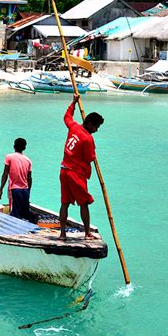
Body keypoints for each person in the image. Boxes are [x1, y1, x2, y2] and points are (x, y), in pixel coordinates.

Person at [59, 95, 104, 241]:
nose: (96, 130)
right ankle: (87, 233)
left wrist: (73, 103)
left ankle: (63, 234)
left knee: (64, 203)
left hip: (64, 170)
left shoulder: (73, 127)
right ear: (90, 123)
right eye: (96, 127)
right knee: (84, 203)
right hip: (75, 174)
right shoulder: (87, 138)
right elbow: (89, 157)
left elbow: (67, 117)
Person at [0, 138, 32, 219]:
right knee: (24, 213)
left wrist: (1, 189)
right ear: (24, 148)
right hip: (25, 190)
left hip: (14, 189)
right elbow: (29, 178)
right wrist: (28, 191)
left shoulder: (9, 157)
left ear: (14, 146)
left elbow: (5, 174)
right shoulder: (28, 160)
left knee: (15, 214)